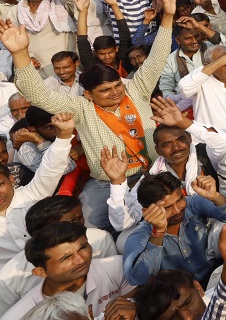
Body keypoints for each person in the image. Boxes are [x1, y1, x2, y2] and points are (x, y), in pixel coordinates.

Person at [4, 0, 181, 231]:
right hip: (105, 182)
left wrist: (168, 17)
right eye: (105, 91)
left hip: (153, 173)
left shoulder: (137, 88)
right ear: (88, 94)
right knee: (89, 227)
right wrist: (20, 53)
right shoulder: (80, 107)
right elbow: (38, 95)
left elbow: (158, 57)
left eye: (117, 85)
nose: (116, 92)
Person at [0, 195, 117, 316]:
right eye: (65, 257)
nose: (80, 260)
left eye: (80, 218)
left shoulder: (102, 241)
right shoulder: (8, 279)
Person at [3, 222, 136, 320]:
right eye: (66, 257)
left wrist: (134, 307)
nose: (80, 259)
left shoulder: (117, 267)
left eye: (83, 247)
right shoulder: (20, 315)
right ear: (41, 272)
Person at [123, 172, 226, 285]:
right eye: (167, 208)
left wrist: (216, 197)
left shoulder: (192, 204)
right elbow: (136, 279)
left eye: (179, 200)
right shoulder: (139, 237)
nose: (177, 210)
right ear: (146, 212)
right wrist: (158, 233)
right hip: (181, 295)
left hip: (215, 274)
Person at [0, 113, 74, 268]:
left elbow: (50, 169)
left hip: (61, 266)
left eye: (0, 185)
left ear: (11, 179)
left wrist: (64, 136)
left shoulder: (32, 195)